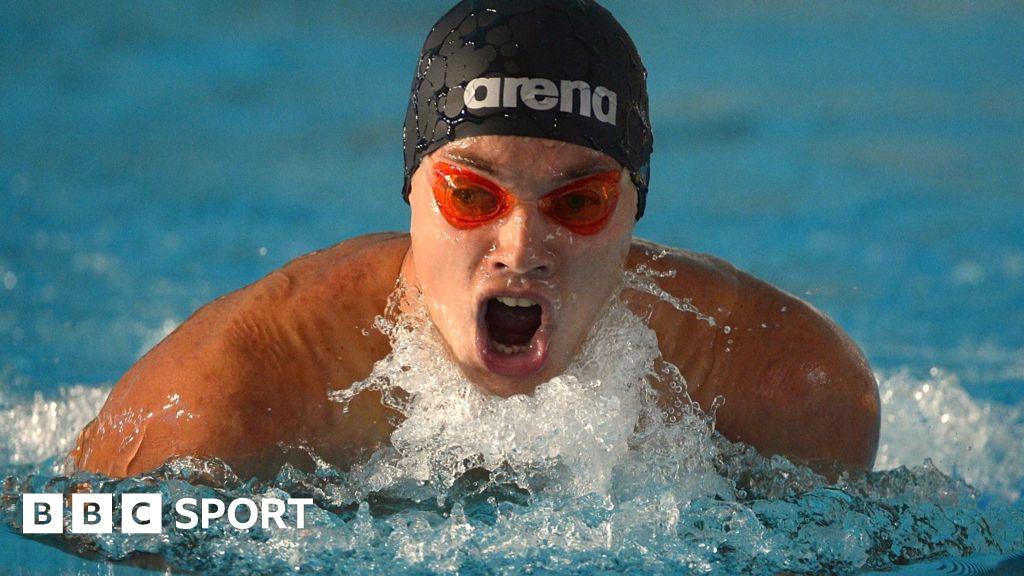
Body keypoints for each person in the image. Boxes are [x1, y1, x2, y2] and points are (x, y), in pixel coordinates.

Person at [72, 0, 879, 480]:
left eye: (581, 200)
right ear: (413, 192)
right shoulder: (220, 407)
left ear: (636, 208)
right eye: (470, 195)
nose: (521, 245)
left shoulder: (792, 392)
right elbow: (53, 515)